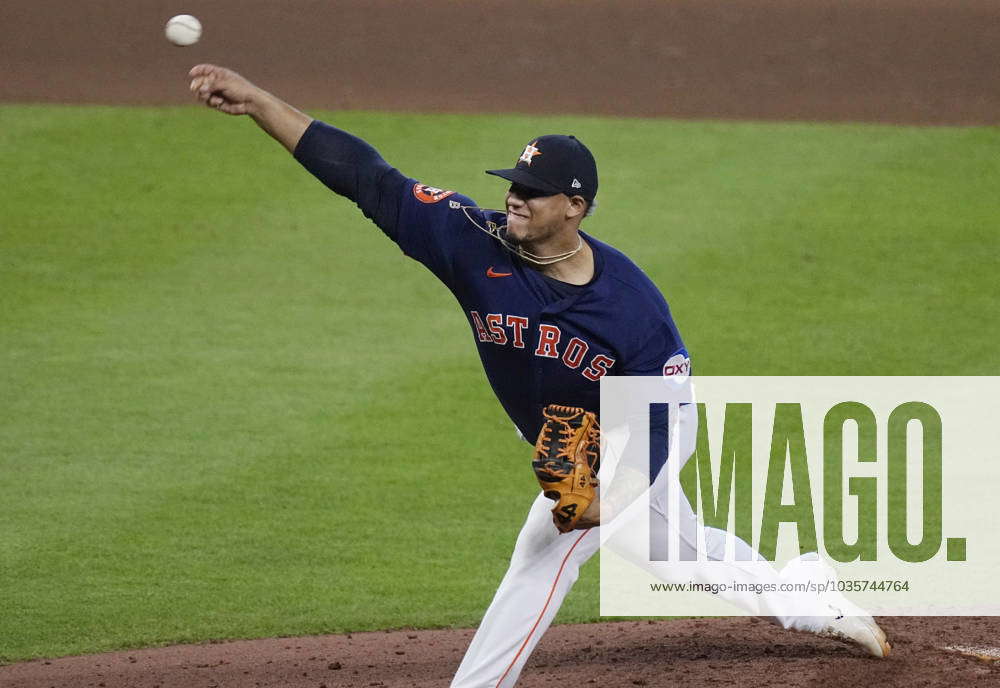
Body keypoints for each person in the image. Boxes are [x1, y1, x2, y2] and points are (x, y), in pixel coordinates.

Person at [187, 64, 891, 687]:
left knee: (545, 549)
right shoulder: (470, 240)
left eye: (535, 191)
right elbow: (366, 177)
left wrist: (605, 498)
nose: (515, 198)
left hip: (638, 425)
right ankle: (807, 595)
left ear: (575, 208)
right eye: (515, 184)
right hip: (571, 430)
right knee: (677, 552)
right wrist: (260, 103)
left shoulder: (632, 310)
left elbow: (659, 422)